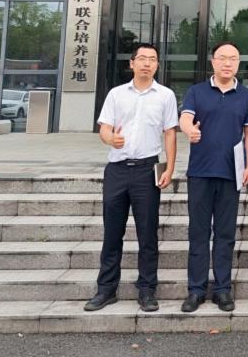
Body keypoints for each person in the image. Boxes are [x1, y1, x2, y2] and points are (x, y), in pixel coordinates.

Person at [85, 43, 177, 313]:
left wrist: (170, 168)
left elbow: (170, 133)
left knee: (148, 234)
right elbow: (104, 128)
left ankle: (147, 290)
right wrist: (110, 139)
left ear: (157, 65)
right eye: (143, 58)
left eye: (153, 59)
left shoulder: (166, 96)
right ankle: (106, 290)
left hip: (147, 170)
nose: (147, 63)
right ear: (132, 63)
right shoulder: (116, 94)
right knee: (112, 233)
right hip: (117, 169)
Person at [179, 41, 248, 313]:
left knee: (225, 234)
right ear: (213, 61)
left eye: (232, 58)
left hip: (231, 173)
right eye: (222, 58)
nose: (227, 63)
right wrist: (189, 130)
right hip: (200, 173)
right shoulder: (197, 92)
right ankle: (196, 290)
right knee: (198, 233)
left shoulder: (246, 96)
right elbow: (185, 118)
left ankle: (223, 289)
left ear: (238, 63)